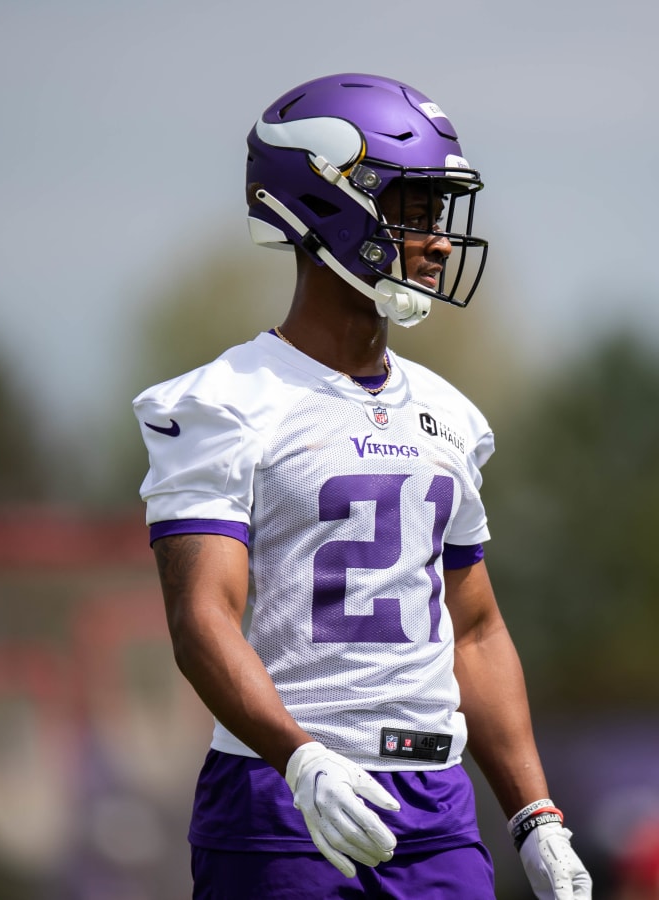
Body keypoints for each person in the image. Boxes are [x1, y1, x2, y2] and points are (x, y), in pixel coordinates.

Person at [133, 73, 593, 899]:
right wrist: (300, 759)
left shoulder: (451, 416)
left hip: (437, 807)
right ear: (329, 202)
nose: (441, 241)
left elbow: (477, 631)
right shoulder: (225, 403)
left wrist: (535, 816)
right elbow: (201, 618)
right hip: (281, 799)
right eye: (416, 209)